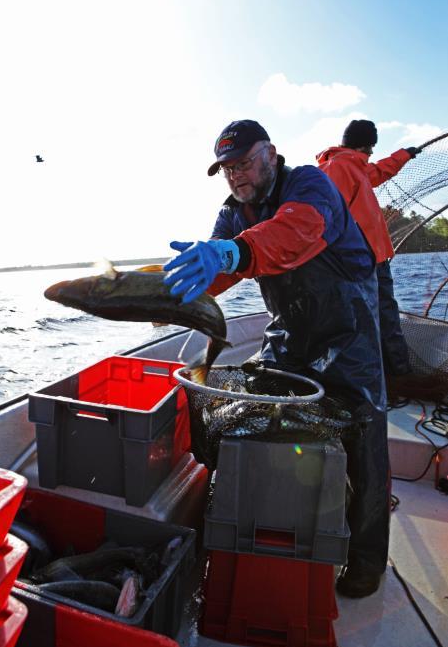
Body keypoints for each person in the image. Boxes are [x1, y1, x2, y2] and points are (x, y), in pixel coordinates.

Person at [163, 119, 389, 598]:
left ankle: (368, 560)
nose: (236, 176)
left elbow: (297, 231)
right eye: (226, 168)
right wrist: (167, 294)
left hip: (348, 333)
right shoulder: (233, 212)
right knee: (256, 421)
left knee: (365, 442)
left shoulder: (309, 182)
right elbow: (218, 272)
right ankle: (272, 527)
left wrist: (230, 253)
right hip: (287, 336)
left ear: (271, 153)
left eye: (243, 162)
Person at [316, 119, 421, 377]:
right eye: (371, 149)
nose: (372, 155)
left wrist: (404, 155)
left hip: (374, 259)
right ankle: (395, 376)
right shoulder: (337, 168)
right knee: (375, 317)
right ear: (364, 146)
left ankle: (394, 371)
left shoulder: (355, 167)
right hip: (360, 263)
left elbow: (381, 171)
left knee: (384, 314)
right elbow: (324, 216)